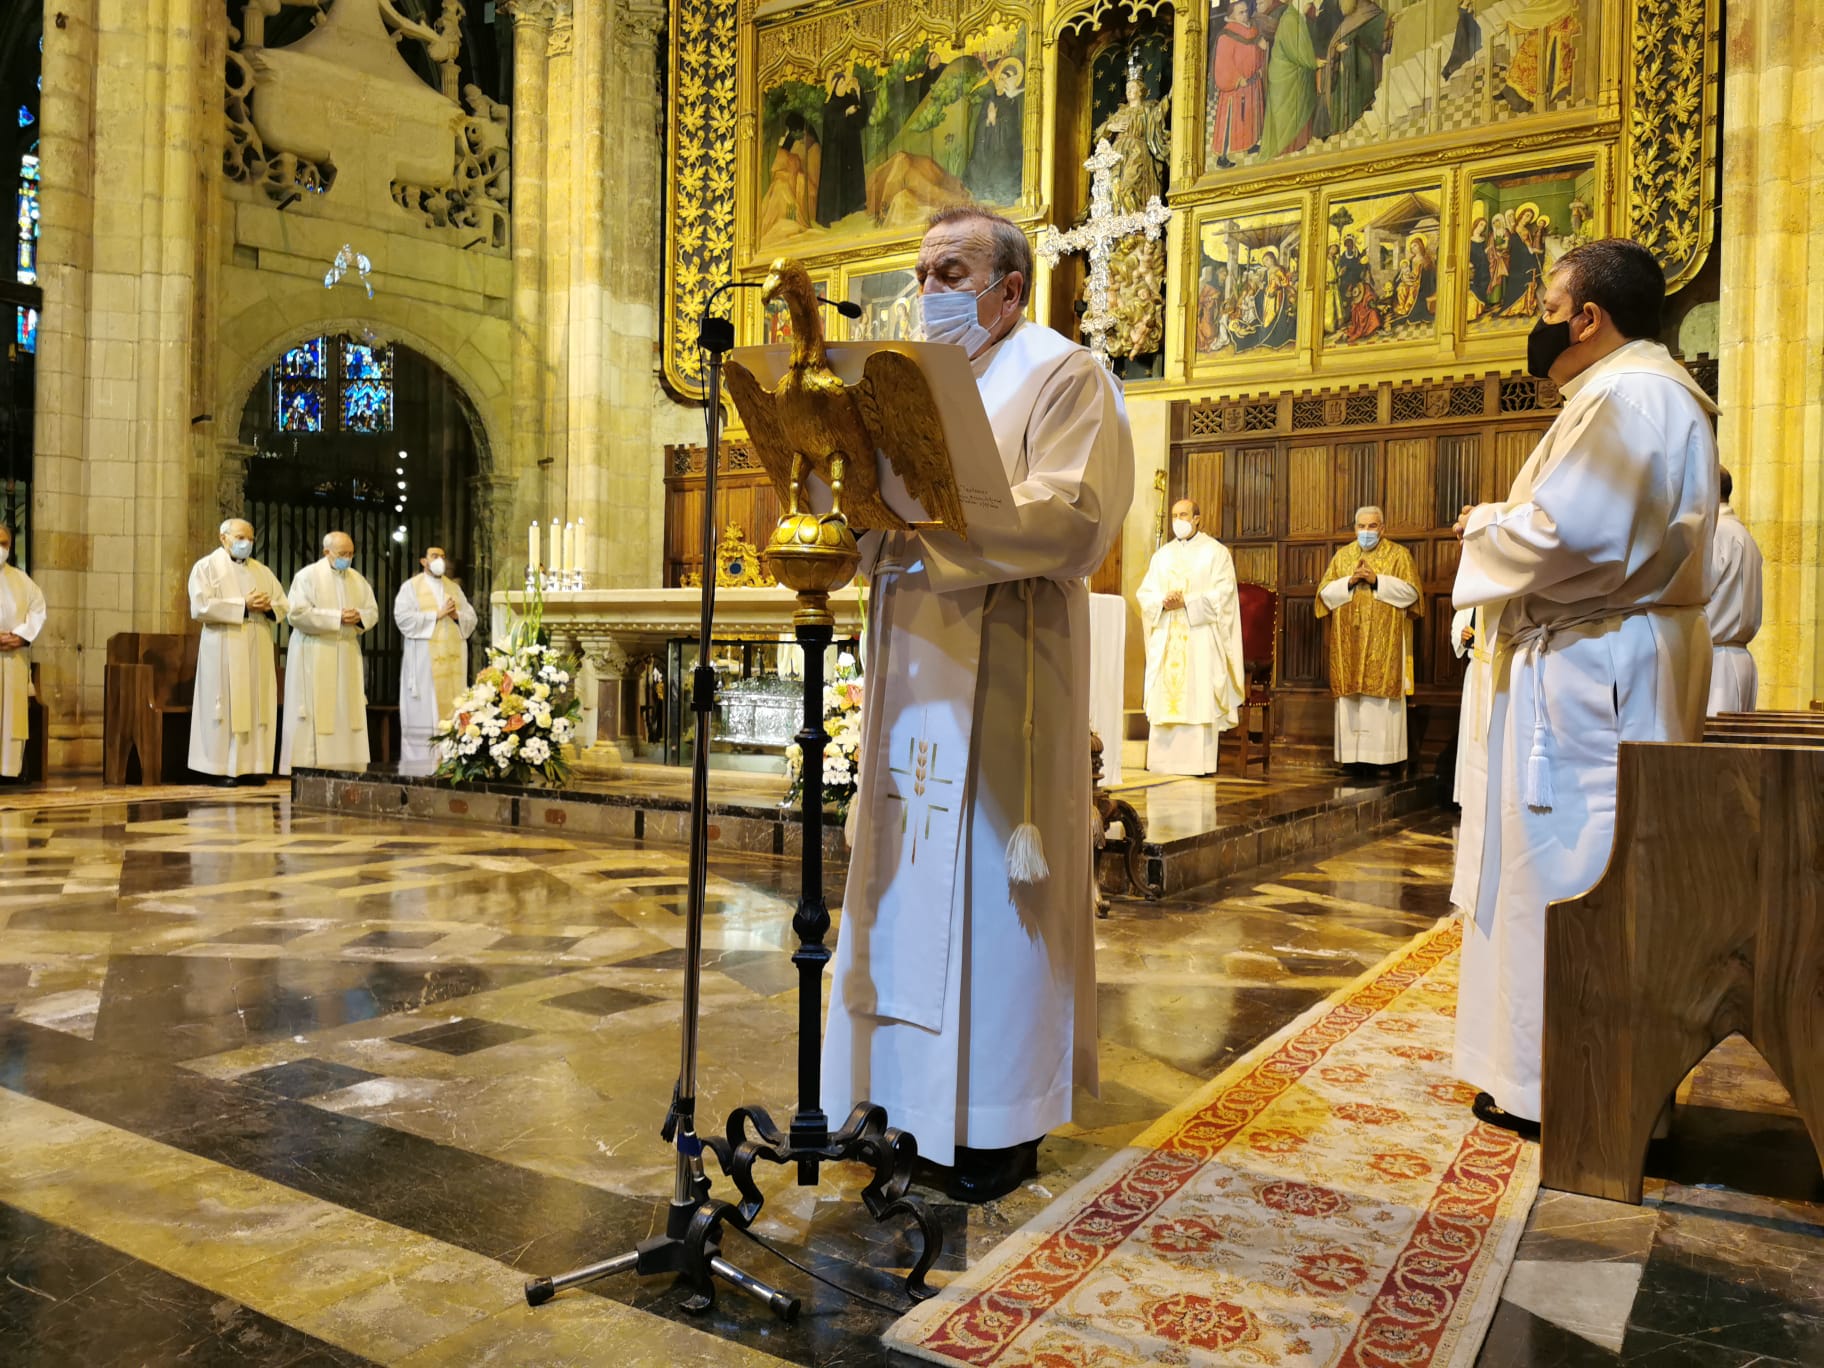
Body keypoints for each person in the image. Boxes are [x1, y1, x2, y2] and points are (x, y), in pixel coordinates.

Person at [825, 205, 1133, 1203]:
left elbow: (1076, 516)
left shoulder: (1063, 372)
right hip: (915, 661)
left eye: (951, 270)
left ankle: (995, 1122)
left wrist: (942, 515)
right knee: (907, 884)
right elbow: (876, 523)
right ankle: (900, 1103)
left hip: (1003, 667)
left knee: (993, 901)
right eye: (920, 272)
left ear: (1011, 288)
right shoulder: (915, 384)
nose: (930, 289)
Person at [1450, 238, 1717, 1139]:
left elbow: (1575, 535)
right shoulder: (1623, 391)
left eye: (1547, 300)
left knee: (1573, 865)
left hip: (1595, 670)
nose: (1539, 317)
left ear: (1588, 316)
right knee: (1543, 866)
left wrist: (1486, 525)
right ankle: (1528, 1069)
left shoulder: (1630, 395)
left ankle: (1571, 1076)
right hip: (1591, 654)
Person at [1138, 499, 1244, 776]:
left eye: (1183, 514)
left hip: (1199, 636)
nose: (1178, 520)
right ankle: (1164, 762)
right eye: (1174, 515)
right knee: (1166, 698)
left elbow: (1224, 596)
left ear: (1197, 518)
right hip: (1168, 633)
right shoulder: (1162, 555)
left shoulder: (1215, 553)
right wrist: (1163, 601)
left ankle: (1198, 764)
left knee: (1197, 696)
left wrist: (1188, 601)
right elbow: (1145, 594)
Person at [1315, 506, 1422, 767]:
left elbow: (1412, 595)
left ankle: (1383, 760)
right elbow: (1324, 596)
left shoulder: (1399, 556)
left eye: (1372, 526)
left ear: (1382, 528)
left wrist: (1376, 581)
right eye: (1361, 527)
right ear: (1354, 528)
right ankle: (1352, 760)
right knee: (1351, 697)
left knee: (1380, 697)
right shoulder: (1343, 557)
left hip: (1384, 644)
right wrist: (1349, 582)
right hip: (1348, 641)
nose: (1366, 532)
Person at [188, 518, 288, 785]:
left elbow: (282, 603)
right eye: (241, 537)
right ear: (223, 538)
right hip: (223, 646)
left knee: (255, 704)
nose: (247, 544)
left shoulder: (262, 571)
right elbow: (200, 607)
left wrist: (267, 606)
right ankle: (218, 769)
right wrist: (242, 605)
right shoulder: (206, 567)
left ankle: (251, 766)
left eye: (250, 539)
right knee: (226, 704)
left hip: (257, 648)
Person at [280, 531, 379, 775]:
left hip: (346, 652)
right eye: (342, 554)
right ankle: (312, 765)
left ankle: (347, 762)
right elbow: (296, 614)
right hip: (315, 652)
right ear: (326, 552)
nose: (347, 558)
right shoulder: (307, 576)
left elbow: (372, 611)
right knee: (316, 707)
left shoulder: (357, 580)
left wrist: (360, 617)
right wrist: (336, 617)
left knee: (347, 707)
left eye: (351, 554)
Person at [395, 546, 478, 776]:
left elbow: (471, 619)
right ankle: (420, 766)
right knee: (424, 712)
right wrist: (436, 615)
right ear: (423, 560)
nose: (440, 560)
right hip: (424, 666)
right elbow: (403, 619)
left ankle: (449, 761)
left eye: (443, 556)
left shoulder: (454, 589)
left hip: (451, 667)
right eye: (434, 556)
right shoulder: (411, 587)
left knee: (451, 711)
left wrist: (456, 616)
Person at [1705, 467, 1762, 715]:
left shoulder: (1717, 532)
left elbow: (1692, 593)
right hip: (1735, 658)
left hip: (1718, 663)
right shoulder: (1741, 533)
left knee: (1714, 750)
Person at [0, 525, 44, 780]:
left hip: (14, 659)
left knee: (11, 719)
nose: (2, 549)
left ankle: (8, 770)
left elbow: (38, 609)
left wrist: (21, 636)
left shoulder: (21, 580)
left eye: (5, 544)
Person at [1209, 0, 1269, 167]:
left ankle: (1250, 145)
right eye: (1241, 12)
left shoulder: (1252, 30)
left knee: (1251, 117)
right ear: (1232, 15)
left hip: (1252, 84)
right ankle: (1222, 157)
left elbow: (1254, 50)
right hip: (1234, 90)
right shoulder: (1226, 36)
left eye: (1245, 11)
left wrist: (1261, 51)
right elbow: (1223, 64)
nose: (1245, 15)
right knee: (1229, 122)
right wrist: (1236, 79)